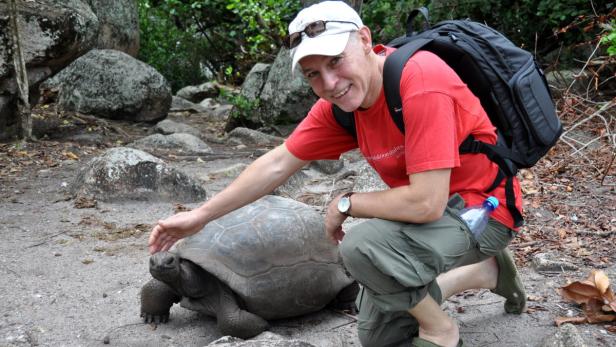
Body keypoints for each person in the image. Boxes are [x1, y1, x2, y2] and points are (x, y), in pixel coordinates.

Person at [148, 1, 527, 346]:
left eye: (335, 61)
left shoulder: (421, 82)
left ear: (365, 40)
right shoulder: (343, 107)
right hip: (430, 215)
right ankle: (486, 272)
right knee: (379, 336)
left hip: (483, 211)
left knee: (363, 248)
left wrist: (347, 204)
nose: (329, 83)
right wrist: (198, 218)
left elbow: (427, 203)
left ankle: (441, 331)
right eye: (313, 74)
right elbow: (278, 163)